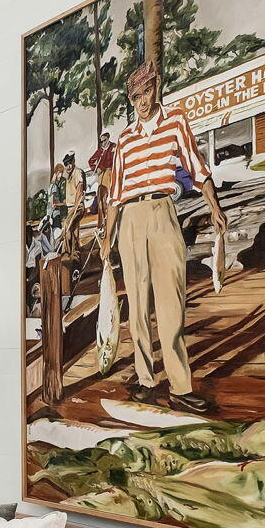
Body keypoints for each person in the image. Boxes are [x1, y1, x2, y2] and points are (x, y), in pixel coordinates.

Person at [101, 64, 227, 413]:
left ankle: (181, 387)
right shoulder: (124, 139)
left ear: (156, 89)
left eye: (146, 93)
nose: (142, 101)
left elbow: (199, 168)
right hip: (130, 218)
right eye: (135, 96)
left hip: (162, 212)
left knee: (171, 299)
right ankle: (145, 380)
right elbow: (115, 193)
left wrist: (214, 206)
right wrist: (107, 237)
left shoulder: (176, 122)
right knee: (138, 303)